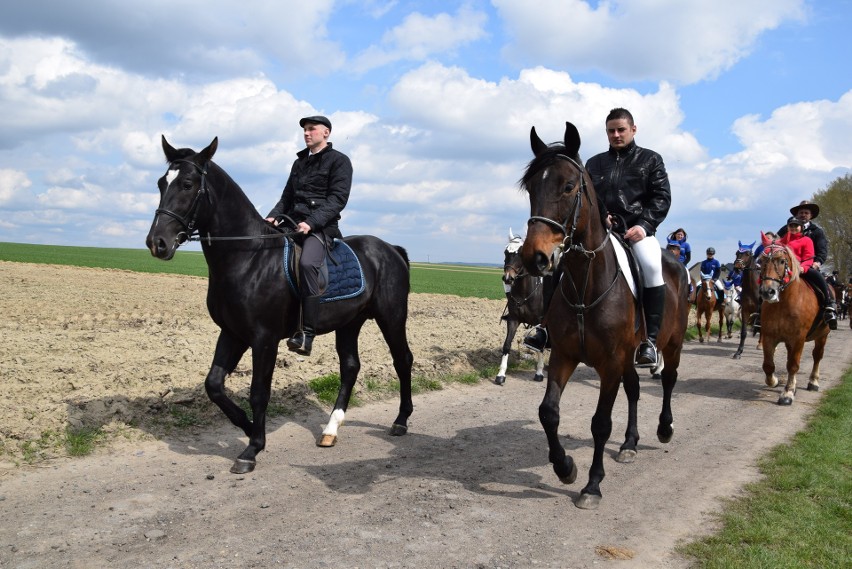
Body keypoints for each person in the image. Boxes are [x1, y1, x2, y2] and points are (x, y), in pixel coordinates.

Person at [526, 108, 672, 368]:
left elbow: (661, 197)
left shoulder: (651, 160)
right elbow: (588, 198)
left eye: (621, 130)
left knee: (651, 266)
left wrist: (645, 225)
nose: (616, 135)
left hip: (637, 232)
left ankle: (649, 340)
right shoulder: (594, 163)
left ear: (633, 130)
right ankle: (545, 328)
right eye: (611, 131)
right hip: (602, 232)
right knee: (557, 266)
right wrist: (602, 216)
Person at [265, 115, 353, 356]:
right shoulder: (299, 163)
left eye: (311, 129)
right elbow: (286, 197)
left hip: (321, 229)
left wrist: (311, 223)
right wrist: (272, 216)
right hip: (292, 224)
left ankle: (307, 333)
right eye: (304, 130)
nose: (306, 133)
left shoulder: (339, 161)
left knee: (307, 264)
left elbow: (338, 199)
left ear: (326, 133)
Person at [777, 216, 837, 329]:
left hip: (802, 269)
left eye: (796, 225)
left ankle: (829, 305)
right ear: (787, 227)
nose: (793, 227)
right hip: (785, 270)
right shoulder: (781, 241)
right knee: (768, 280)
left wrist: (802, 268)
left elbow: (809, 257)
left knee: (819, 277)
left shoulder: (807, 240)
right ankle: (760, 311)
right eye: (791, 225)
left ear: (801, 227)